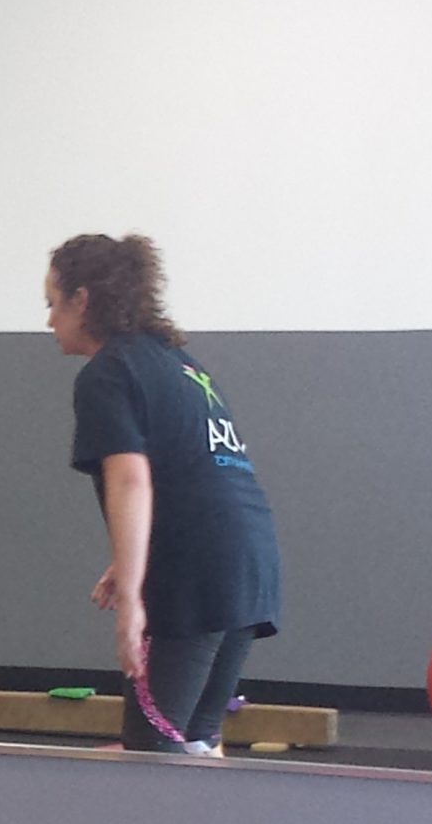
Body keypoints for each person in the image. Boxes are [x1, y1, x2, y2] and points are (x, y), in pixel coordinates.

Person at [45, 234, 280, 754]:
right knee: (195, 741)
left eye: (53, 303)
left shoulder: (107, 373)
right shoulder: (180, 364)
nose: (49, 320)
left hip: (195, 576)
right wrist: (129, 562)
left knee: (152, 758)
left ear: (82, 299)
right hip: (249, 566)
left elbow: (131, 480)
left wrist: (132, 601)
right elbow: (197, 474)